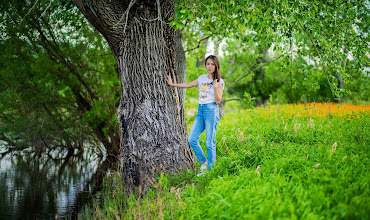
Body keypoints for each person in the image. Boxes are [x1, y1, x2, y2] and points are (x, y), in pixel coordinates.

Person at [167, 55, 225, 176]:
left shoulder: (220, 82)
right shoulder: (202, 78)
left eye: (212, 64)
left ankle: (210, 170)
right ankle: (204, 163)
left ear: (216, 66)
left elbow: (218, 100)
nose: (209, 66)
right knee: (192, 139)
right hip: (201, 111)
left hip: (211, 111)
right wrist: (173, 84)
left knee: (210, 142)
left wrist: (214, 86)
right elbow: (188, 84)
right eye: (208, 64)